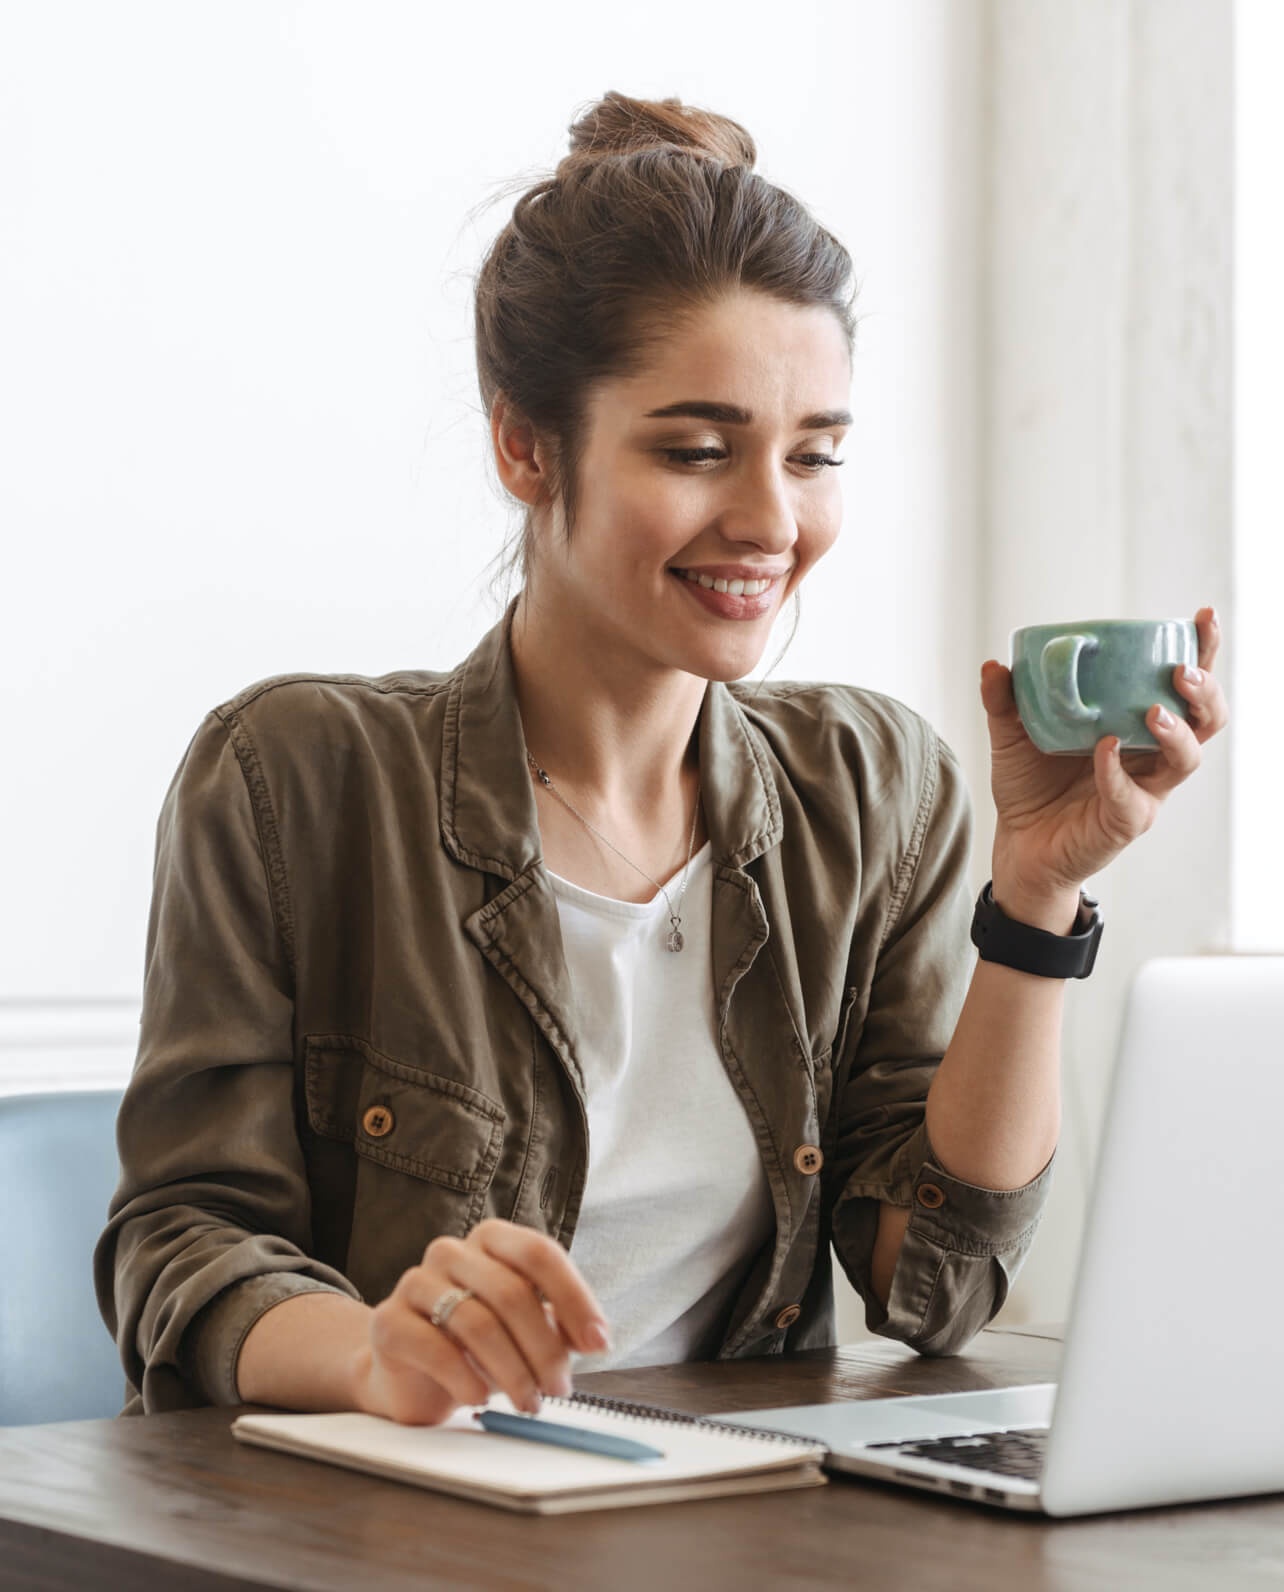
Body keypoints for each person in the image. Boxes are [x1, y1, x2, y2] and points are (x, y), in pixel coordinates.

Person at [95, 91, 1228, 1422]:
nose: (769, 520)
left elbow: (935, 1286)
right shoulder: (295, 780)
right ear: (526, 443)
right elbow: (183, 1248)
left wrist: (1035, 896)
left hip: (730, 1523)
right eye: (697, 451)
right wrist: (373, 1356)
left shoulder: (873, 791)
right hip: (382, 1523)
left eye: (816, 456)